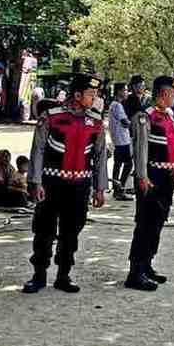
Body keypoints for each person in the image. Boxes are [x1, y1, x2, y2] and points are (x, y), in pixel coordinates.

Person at [22, 73, 107, 294]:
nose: (94, 98)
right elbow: (38, 149)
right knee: (44, 230)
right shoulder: (51, 116)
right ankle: (39, 275)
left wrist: (99, 188)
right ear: (77, 95)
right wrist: (35, 181)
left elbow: (99, 155)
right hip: (51, 183)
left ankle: (63, 275)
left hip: (79, 186)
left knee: (72, 231)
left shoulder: (96, 121)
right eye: (90, 94)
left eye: (96, 93)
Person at [125, 75, 174, 291]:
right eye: (173, 93)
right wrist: (141, 176)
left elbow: (173, 144)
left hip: (166, 178)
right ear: (163, 94)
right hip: (152, 177)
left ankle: (147, 264)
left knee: (158, 222)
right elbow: (140, 150)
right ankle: (135, 271)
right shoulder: (145, 117)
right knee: (145, 224)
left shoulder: (169, 116)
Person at [109, 83, 133, 200]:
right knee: (128, 164)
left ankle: (116, 188)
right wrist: (133, 124)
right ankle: (120, 188)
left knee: (118, 164)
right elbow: (124, 122)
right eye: (125, 90)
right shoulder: (117, 106)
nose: (127, 92)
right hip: (122, 140)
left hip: (118, 139)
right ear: (119, 91)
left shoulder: (114, 105)